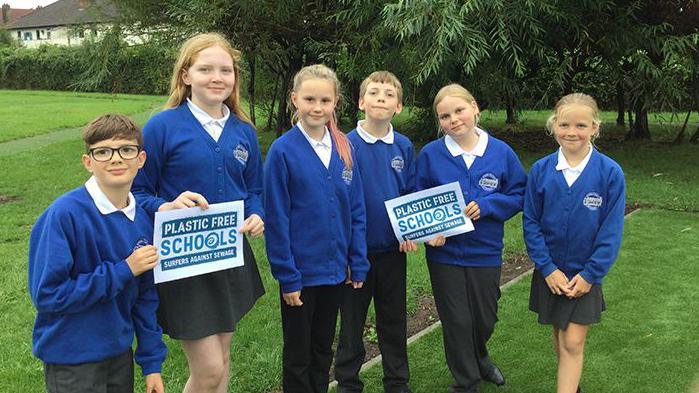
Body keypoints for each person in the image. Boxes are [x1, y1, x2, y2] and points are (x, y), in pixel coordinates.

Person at [132, 32, 265, 393]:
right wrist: (166, 206)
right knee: (207, 369)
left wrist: (256, 214)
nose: (217, 77)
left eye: (226, 69)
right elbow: (136, 191)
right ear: (186, 75)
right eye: (205, 69)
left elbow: (254, 190)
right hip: (184, 260)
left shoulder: (243, 131)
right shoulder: (163, 126)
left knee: (221, 363)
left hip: (229, 254)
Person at [28, 114, 166, 393]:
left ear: (141, 159)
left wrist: (152, 364)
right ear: (88, 162)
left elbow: (145, 296)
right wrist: (123, 269)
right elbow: (49, 294)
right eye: (103, 151)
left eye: (126, 150)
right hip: (72, 357)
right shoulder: (63, 215)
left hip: (118, 353)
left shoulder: (142, 219)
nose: (116, 159)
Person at [264, 64, 369, 393]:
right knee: (299, 354)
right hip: (301, 275)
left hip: (336, 272)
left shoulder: (344, 148)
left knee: (323, 349)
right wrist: (287, 275)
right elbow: (277, 219)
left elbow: (356, 210)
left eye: (325, 100)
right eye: (309, 99)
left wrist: (357, 259)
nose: (317, 107)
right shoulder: (283, 151)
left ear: (335, 101)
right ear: (295, 99)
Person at [416, 83, 526, 393]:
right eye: (445, 116)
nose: (453, 120)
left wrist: (489, 205)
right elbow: (415, 198)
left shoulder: (501, 152)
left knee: (484, 318)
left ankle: (480, 357)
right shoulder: (430, 155)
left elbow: (519, 194)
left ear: (474, 107)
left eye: (459, 110)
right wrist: (428, 232)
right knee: (456, 321)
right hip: (444, 255)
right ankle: (466, 383)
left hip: (485, 251)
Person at [524, 93, 625, 393]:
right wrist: (547, 268)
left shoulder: (610, 173)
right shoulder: (541, 171)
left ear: (595, 127)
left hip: (584, 274)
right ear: (554, 124)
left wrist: (591, 274)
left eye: (581, 125)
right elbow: (531, 222)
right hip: (550, 272)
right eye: (564, 124)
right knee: (560, 334)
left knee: (573, 341)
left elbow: (611, 231)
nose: (571, 132)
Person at [334, 70, 415, 393]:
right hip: (356, 254)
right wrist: (348, 250)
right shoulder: (343, 144)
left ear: (398, 106)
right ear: (361, 101)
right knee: (352, 324)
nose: (381, 97)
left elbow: (410, 193)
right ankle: (348, 382)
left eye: (389, 94)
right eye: (375, 92)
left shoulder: (404, 146)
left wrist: (412, 229)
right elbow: (339, 201)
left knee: (393, 320)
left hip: (393, 252)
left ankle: (397, 382)